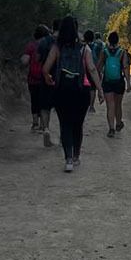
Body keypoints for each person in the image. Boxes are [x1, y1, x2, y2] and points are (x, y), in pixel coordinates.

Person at [43, 16, 105, 172]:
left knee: (65, 125)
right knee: (78, 125)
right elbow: (92, 70)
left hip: (62, 90)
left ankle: (68, 159)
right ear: (77, 30)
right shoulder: (85, 49)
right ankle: (76, 156)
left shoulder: (57, 47)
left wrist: (48, 78)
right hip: (81, 91)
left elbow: (45, 68)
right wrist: (100, 90)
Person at [33, 20, 61, 148]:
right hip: (60, 79)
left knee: (45, 107)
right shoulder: (64, 42)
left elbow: (37, 58)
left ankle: (46, 129)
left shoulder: (44, 41)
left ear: (52, 27)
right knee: (61, 108)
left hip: (45, 77)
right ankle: (62, 136)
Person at [20, 24, 51, 133]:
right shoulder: (48, 45)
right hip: (45, 78)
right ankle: (44, 125)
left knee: (34, 100)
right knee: (44, 101)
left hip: (32, 78)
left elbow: (24, 61)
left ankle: (35, 124)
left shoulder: (31, 46)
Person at [100, 31, 131, 137]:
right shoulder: (122, 52)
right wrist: (128, 83)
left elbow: (98, 67)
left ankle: (111, 128)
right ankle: (118, 123)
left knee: (110, 106)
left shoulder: (104, 52)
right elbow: (126, 68)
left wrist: (98, 81)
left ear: (108, 40)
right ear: (118, 41)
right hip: (119, 82)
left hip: (107, 81)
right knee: (118, 105)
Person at [84, 30, 105, 114]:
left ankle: (85, 104)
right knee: (93, 88)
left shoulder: (83, 46)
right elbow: (101, 57)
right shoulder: (100, 45)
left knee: (84, 86)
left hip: (84, 68)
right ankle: (91, 106)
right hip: (94, 67)